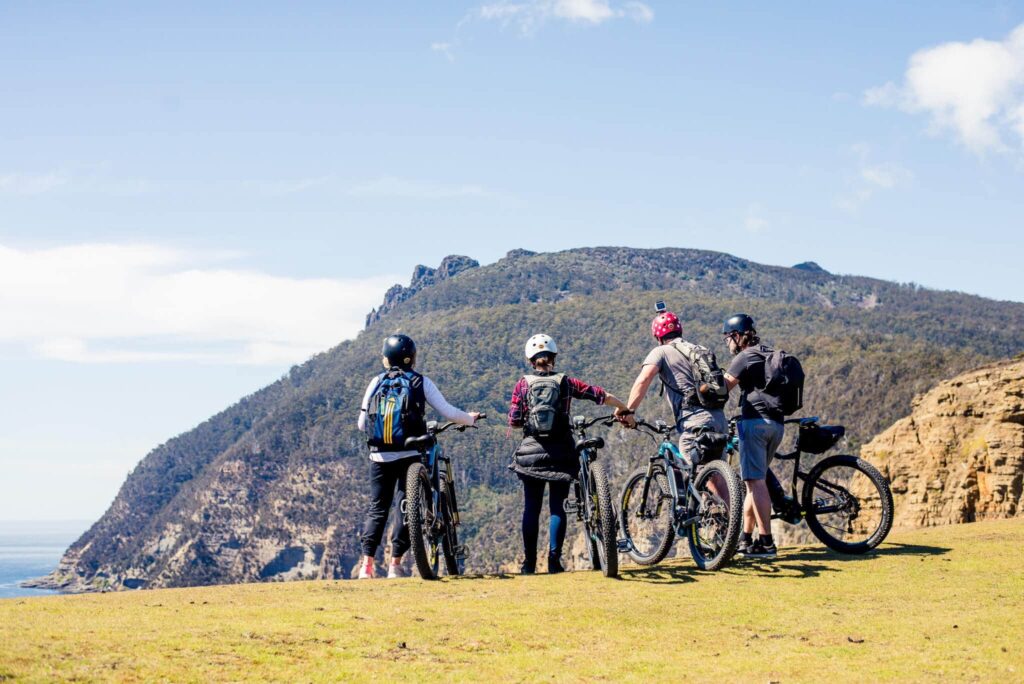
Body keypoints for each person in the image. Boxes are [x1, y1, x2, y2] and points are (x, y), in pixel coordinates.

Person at [356, 333, 480, 579]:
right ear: (411, 358)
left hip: (379, 455)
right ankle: (395, 566)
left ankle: (366, 567)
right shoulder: (420, 382)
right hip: (411, 452)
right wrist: (470, 418)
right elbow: (448, 412)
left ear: (386, 359)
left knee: (377, 508)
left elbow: (362, 424)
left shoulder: (376, 382)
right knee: (405, 506)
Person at [508, 334, 629, 575]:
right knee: (557, 508)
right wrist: (623, 408)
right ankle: (554, 562)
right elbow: (598, 394)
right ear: (553, 357)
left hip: (531, 453)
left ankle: (529, 564)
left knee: (531, 508)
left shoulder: (522, 384)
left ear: (531, 361)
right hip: (562, 452)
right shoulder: (566, 382)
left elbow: (514, 421)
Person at [618, 311, 730, 487]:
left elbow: (644, 379)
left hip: (695, 423)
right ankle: (729, 513)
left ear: (658, 337)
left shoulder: (661, 351)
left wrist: (628, 410)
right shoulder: (697, 349)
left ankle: (708, 509)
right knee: (716, 479)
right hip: (719, 419)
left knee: (697, 477)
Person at [722, 313, 785, 559]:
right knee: (753, 481)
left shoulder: (744, 356)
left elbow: (723, 387)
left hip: (754, 423)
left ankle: (766, 543)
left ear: (737, 336)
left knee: (755, 483)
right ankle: (746, 540)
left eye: (728, 338)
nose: (728, 343)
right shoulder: (768, 352)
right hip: (776, 425)